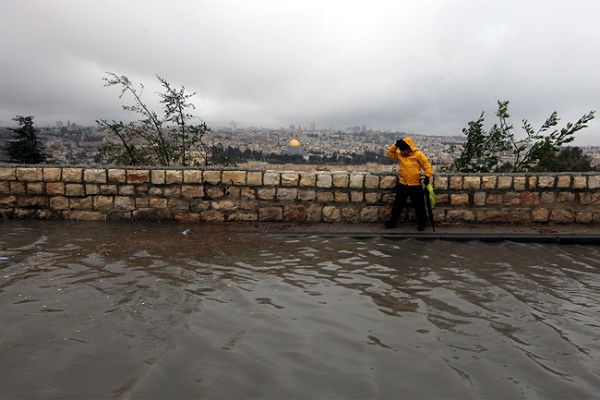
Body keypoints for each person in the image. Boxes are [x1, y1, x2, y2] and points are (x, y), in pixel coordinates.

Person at [384, 137, 433, 230]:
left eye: (404, 150)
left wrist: (427, 176)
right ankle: (392, 222)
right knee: (397, 205)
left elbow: (426, 165)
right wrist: (395, 145)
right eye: (401, 150)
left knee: (419, 206)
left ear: (409, 148)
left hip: (415, 185)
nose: (403, 152)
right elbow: (389, 153)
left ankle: (422, 224)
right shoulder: (400, 155)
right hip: (403, 184)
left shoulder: (418, 154)